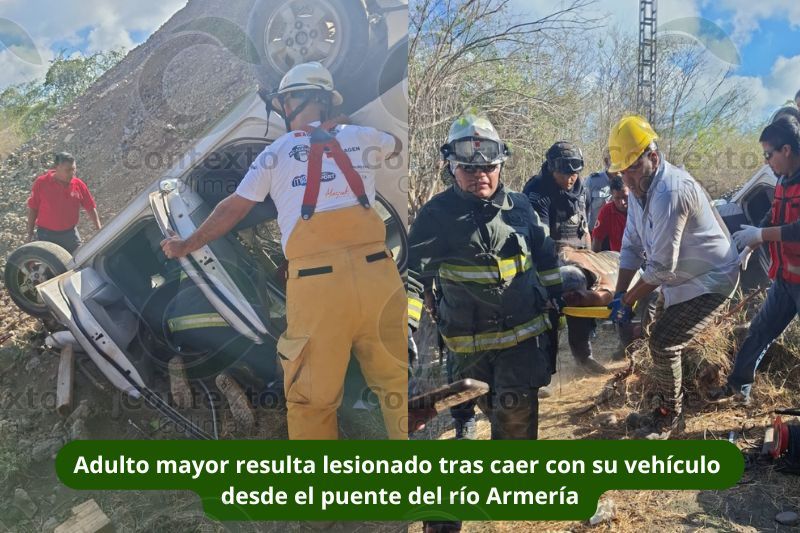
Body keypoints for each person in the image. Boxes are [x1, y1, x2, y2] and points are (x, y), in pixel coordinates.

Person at [160, 61, 407, 440]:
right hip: (379, 275)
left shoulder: (275, 154)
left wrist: (185, 245)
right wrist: (345, 127)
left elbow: (232, 209)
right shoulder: (362, 136)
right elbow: (398, 145)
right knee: (395, 385)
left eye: (283, 102)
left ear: (293, 100)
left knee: (311, 401)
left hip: (317, 288)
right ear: (326, 101)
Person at [407, 113, 561, 441]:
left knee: (515, 423)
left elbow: (545, 256)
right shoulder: (435, 216)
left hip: (522, 343)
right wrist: (404, 329)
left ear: (500, 166)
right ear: (452, 167)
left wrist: (558, 297)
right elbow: (413, 276)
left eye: (488, 167)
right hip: (469, 349)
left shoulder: (520, 208)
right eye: (470, 169)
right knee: (498, 416)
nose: (481, 175)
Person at [607, 115, 739, 439]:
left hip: (712, 279)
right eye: (623, 171)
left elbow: (661, 268)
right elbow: (631, 247)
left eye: (633, 168)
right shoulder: (639, 192)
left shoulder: (670, 191)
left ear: (653, 157)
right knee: (659, 341)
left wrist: (627, 300)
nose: (628, 178)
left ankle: (671, 421)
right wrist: (617, 294)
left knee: (664, 343)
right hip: (681, 278)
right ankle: (661, 408)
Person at [711, 116, 800, 405]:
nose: (766, 161)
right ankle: (739, 387)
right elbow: (774, 216)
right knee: (759, 330)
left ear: (786, 150)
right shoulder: (783, 181)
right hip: (785, 280)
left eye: (768, 154)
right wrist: (752, 242)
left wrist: (762, 234)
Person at [523, 142, 607, 375]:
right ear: (551, 168)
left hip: (581, 256)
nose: (571, 177)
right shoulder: (537, 192)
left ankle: (583, 357)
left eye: (575, 172)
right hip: (548, 260)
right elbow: (539, 240)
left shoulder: (582, 189)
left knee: (593, 286)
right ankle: (544, 370)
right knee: (563, 292)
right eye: (564, 172)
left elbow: (585, 227)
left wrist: (591, 260)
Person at [26, 152, 101, 253]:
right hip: (46, 235)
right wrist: (30, 234)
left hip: (70, 234)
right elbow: (33, 208)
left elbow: (90, 207)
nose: (72, 173)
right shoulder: (41, 183)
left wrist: (99, 229)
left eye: (73, 169)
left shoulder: (78, 184)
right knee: (50, 265)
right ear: (57, 167)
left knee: (78, 260)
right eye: (68, 170)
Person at [592, 175, 629, 252]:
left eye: (625, 197)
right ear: (612, 196)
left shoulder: (639, 208)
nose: (622, 202)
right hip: (617, 258)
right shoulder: (606, 211)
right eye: (617, 198)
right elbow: (597, 239)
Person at [585, 150, 613, 231]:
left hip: (619, 235)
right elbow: (584, 209)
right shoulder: (593, 181)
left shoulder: (627, 181)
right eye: (614, 159)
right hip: (595, 232)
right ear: (606, 161)